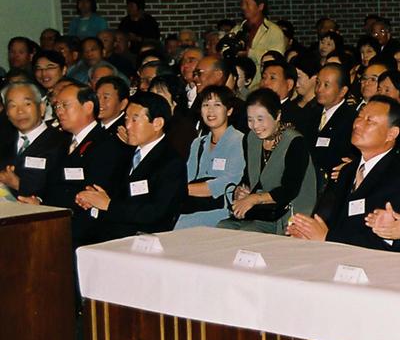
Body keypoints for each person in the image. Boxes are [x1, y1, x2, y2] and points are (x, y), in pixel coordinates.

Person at [288, 97, 400, 250]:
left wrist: (328, 237)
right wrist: (306, 230)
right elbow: (326, 217)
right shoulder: (347, 170)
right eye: (359, 117)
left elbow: (384, 240)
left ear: (391, 133)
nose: (357, 124)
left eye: (369, 121)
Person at [74, 92, 187, 242]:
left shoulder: (171, 161)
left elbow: (156, 212)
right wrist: (93, 199)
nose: (127, 125)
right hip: (111, 233)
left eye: (135, 119)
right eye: (126, 118)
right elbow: (116, 194)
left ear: (157, 123)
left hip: (144, 241)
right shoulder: (125, 154)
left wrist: (108, 205)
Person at [31, 82, 127, 245]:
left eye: (65, 105)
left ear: (88, 106)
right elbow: (54, 183)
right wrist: (39, 202)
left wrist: (48, 205)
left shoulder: (107, 144)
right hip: (58, 226)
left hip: (86, 233)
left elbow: (91, 193)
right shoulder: (61, 142)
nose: (59, 111)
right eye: (57, 106)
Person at [219, 88, 318, 234]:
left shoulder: (295, 142)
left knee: (249, 232)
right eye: (250, 120)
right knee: (223, 227)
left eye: (260, 119)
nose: (255, 126)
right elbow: (249, 176)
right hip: (260, 211)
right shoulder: (251, 139)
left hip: (287, 212)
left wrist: (253, 199)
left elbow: (289, 190)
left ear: (277, 115)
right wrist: (241, 191)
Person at [176, 85, 245, 229]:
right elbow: (188, 176)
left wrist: (181, 189)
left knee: (177, 227)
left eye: (217, 105)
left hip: (223, 209)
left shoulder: (239, 140)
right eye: (205, 105)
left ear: (229, 110)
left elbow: (229, 181)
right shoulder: (198, 142)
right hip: (194, 206)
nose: (210, 111)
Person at [0, 81, 69, 200]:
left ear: (42, 108)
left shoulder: (61, 142)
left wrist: (19, 184)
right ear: (6, 113)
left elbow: (65, 190)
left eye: (27, 104)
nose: (20, 111)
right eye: (12, 106)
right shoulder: (4, 143)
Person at [304, 64, 356, 188]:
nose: (319, 89)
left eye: (326, 85)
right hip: (309, 183)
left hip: (333, 186)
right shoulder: (310, 113)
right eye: (318, 83)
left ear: (343, 91)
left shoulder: (352, 119)